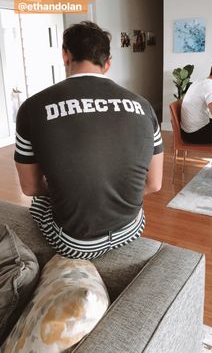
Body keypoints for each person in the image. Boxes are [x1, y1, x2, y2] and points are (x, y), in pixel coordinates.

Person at [14, 21, 163, 260]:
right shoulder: (144, 106)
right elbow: (155, 184)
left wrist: (71, 191)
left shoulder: (32, 108)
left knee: (38, 203)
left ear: (65, 55)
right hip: (132, 229)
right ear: (108, 63)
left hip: (75, 242)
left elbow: (31, 188)